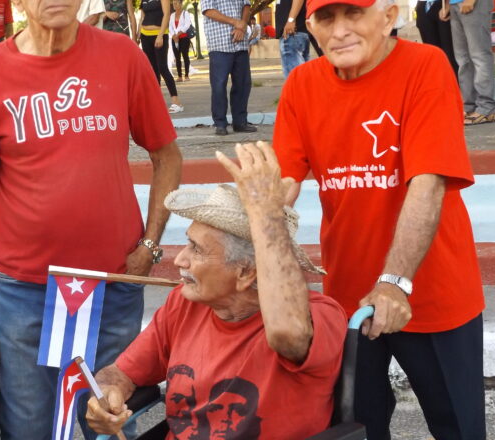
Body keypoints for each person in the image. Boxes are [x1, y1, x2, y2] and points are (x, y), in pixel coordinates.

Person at [0, 0, 183, 436]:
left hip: (113, 286)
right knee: (29, 429)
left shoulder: (122, 56)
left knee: (111, 425)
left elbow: (167, 156)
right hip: (22, 293)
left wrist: (150, 246)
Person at [273, 0, 487, 437]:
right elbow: (282, 187)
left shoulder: (426, 66)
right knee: (355, 426)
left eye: (353, 13)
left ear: (388, 17)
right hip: (347, 297)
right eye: (326, 18)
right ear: (309, 25)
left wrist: (394, 282)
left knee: (458, 427)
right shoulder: (302, 84)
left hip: (431, 292)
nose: (339, 31)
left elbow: (427, 184)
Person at [85, 143, 347, 439]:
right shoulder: (182, 305)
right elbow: (119, 373)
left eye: (196, 249)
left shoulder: (320, 316)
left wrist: (266, 213)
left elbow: (288, 333)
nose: (181, 260)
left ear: (246, 272)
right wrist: (107, 396)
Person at [201, 0, 255, 135]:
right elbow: (208, 11)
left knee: (243, 84)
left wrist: (241, 25)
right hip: (220, 43)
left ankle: (240, 122)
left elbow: (246, 5)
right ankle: (220, 123)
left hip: (240, 42)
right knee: (219, 85)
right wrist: (235, 22)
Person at [441, 0, 495, 124]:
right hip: (454, 4)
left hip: (475, 3)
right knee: (462, 59)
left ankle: (486, 108)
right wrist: (446, 4)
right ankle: (469, 106)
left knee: (480, 55)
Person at [139, 0, 185, 113]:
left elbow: (166, 15)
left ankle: (176, 103)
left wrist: (160, 36)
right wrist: (138, 35)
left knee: (162, 68)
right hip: (145, 35)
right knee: (152, 70)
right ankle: (156, 103)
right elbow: (142, 17)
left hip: (159, 35)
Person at [415, 0, 458, 74]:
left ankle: (453, 83)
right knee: (431, 55)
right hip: (423, 5)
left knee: (449, 55)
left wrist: (448, 5)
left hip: (443, 4)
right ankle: (437, 84)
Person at [170, 0, 193, 81]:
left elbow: (187, 25)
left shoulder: (185, 13)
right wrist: (173, 35)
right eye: (173, 4)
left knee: (185, 56)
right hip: (175, 39)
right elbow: (170, 27)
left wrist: (178, 34)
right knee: (177, 57)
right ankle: (179, 76)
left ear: (180, 4)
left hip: (184, 37)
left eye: (176, 3)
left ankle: (186, 75)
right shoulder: (172, 15)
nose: (174, 5)